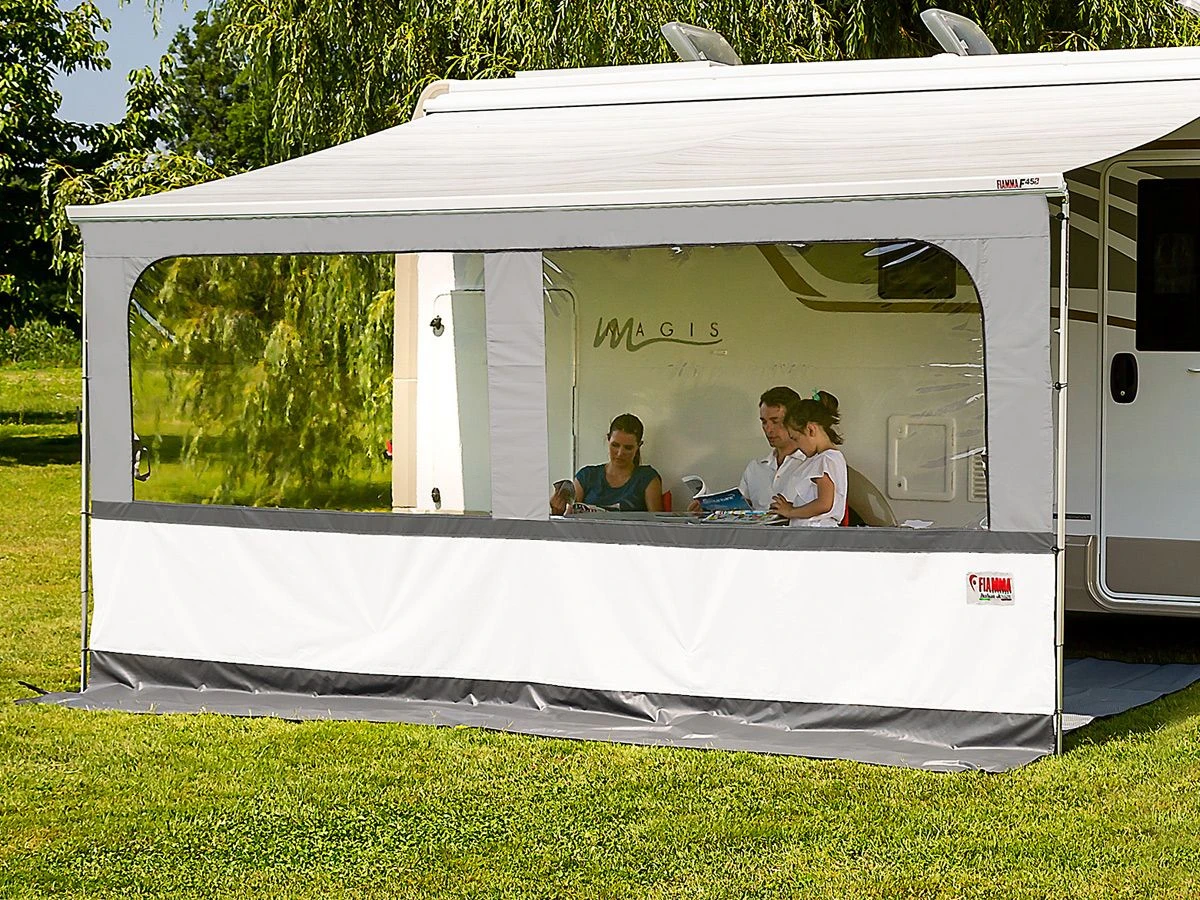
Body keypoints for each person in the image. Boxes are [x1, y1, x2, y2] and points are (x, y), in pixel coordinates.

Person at [690, 386, 805, 511]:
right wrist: (707, 509)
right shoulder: (755, 468)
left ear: (794, 421)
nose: (768, 429)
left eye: (775, 421)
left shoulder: (811, 464)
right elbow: (741, 510)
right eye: (764, 422)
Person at [551, 413, 664, 513]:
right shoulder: (586, 476)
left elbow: (658, 525)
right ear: (608, 440)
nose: (620, 453)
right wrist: (557, 510)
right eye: (615, 445)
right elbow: (568, 520)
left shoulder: (647, 478)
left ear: (639, 446)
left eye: (628, 448)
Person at [770, 391, 848, 527]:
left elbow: (824, 504)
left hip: (816, 531)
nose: (797, 446)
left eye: (796, 439)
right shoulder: (824, 458)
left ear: (811, 429)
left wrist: (791, 511)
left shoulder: (825, 460)